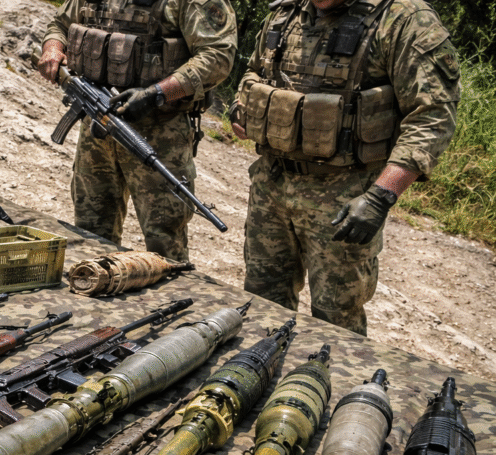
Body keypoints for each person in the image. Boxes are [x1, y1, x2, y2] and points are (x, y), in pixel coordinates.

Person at [231, 0, 460, 335]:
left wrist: (382, 196)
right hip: (272, 186)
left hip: (345, 198)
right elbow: (255, 70)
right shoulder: (286, 12)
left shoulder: (403, 19)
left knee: (336, 324)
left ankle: (330, 384)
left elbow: (433, 116)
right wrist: (242, 105)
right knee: (262, 304)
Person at [38, 0, 237, 262]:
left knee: (164, 242)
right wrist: (53, 48)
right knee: (90, 231)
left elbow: (218, 56)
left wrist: (157, 94)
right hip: (96, 125)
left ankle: (170, 302)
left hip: (160, 135)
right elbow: (60, 24)